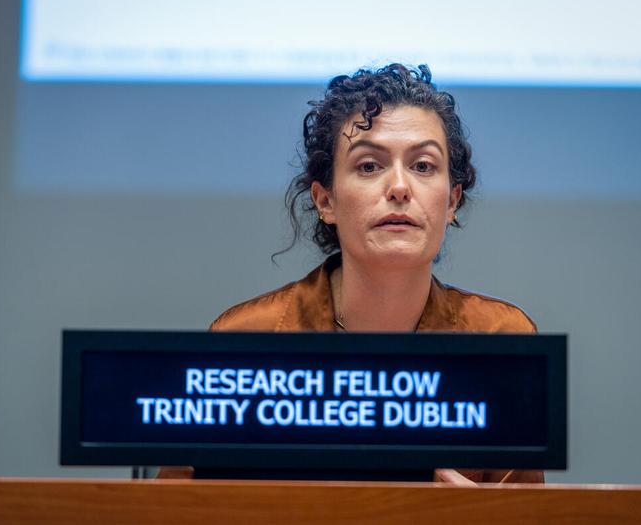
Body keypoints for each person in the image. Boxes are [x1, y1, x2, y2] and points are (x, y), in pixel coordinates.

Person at [159, 64, 542, 483]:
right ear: (326, 202)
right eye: (368, 166)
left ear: (451, 202)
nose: (399, 187)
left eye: (424, 166)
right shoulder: (246, 339)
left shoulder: (502, 342)